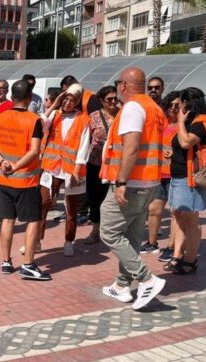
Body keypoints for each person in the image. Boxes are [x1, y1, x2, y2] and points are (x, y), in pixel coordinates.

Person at [99, 67, 167, 310]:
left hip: (132, 183)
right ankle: (121, 285)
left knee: (109, 232)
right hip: (150, 181)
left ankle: (147, 278)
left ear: (123, 86)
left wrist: (121, 182)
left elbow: (131, 147)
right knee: (132, 235)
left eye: (118, 84)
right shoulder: (154, 108)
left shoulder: (132, 108)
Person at [0, 80, 51, 281]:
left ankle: (6, 261)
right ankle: (28, 264)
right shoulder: (34, 121)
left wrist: (3, 163)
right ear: (30, 98)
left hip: (3, 178)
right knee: (33, 220)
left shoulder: (0, 117)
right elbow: (34, 151)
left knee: (7, 219)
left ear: (12, 97)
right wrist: (15, 166)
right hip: (26, 180)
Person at [37, 83, 91, 257]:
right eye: (65, 98)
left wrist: (76, 170)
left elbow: (84, 147)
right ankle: (36, 240)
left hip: (71, 170)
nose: (68, 102)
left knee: (71, 208)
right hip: (51, 167)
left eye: (72, 99)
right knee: (43, 203)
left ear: (77, 101)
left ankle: (69, 240)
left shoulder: (83, 119)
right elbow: (39, 125)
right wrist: (54, 105)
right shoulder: (54, 114)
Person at [165, 87, 206, 274]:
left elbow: (186, 142)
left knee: (191, 219)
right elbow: (183, 147)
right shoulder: (190, 121)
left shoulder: (202, 122)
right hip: (178, 175)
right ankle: (177, 255)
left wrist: (180, 122)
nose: (178, 107)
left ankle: (190, 260)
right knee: (178, 216)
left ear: (188, 103)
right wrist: (173, 154)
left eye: (180, 103)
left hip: (191, 178)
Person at [142, 90, 180, 258]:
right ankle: (152, 243)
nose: (173, 108)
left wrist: (176, 153)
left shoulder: (184, 125)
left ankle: (171, 247)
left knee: (175, 213)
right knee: (154, 210)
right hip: (159, 174)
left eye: (177, 105)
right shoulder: (162, 122)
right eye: (170, 105)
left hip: (176, 175)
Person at [82, 85, 119, 245]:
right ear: (101, 101)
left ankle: (112, 232)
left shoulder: (122, 115)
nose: (112, 102)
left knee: (114, 199)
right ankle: (96, 231)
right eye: (108, 99)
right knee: (95, 199)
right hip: (96, 164)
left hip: (116, 165)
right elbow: (85, 141)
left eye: (114, 98)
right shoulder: (93, 117)